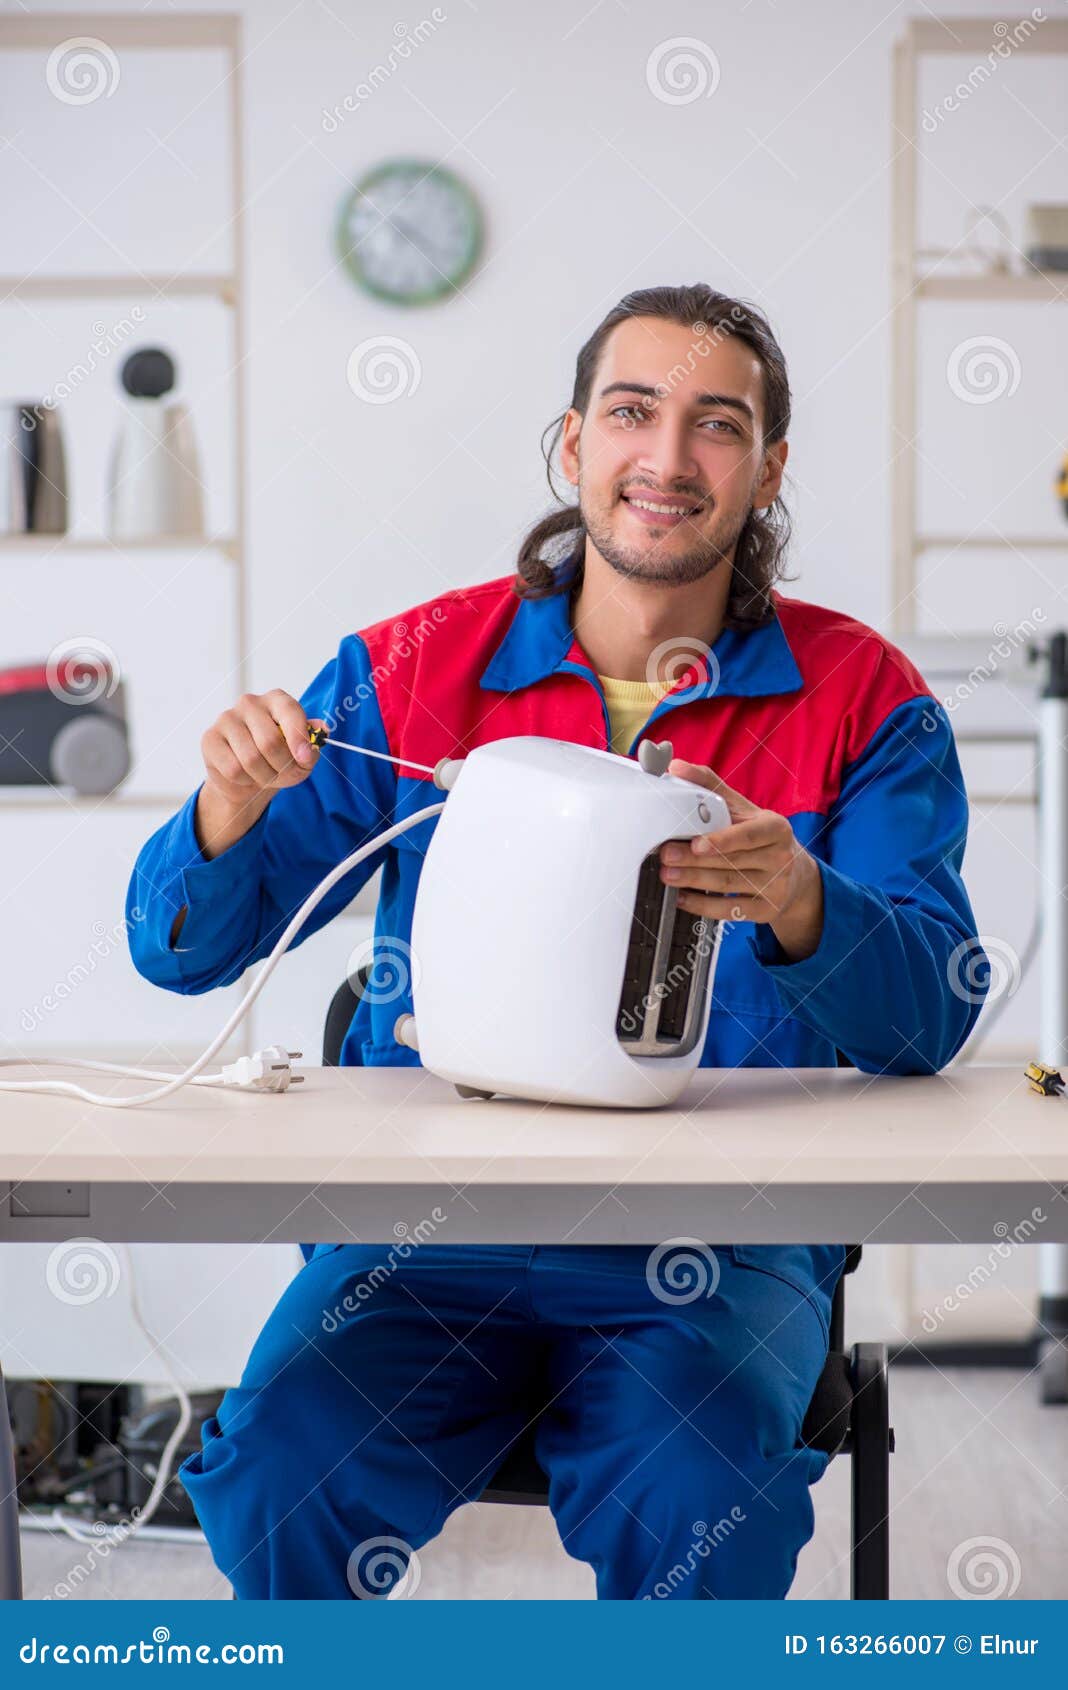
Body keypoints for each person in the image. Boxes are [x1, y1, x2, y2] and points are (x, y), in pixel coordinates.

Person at [127, 284, 987, 1600]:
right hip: (424, 1238)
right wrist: (225, 810)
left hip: (715, 1246)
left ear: (767, 470)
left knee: (701, 1499)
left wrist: (804, 898)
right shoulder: (410, 666)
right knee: (277, 1475)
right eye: (632, 413)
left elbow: (932, 1016)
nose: (666, 458)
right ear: (573, 443)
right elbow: (181, 951)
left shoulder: (864, 699)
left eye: (717, 425)